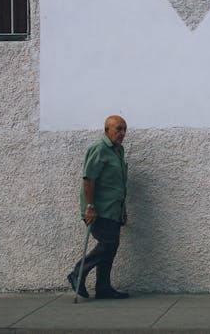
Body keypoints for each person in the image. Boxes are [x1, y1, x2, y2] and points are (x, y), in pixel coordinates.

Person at [67, 115, 130, 299]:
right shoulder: (99, 149)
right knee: (107, 244)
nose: (122, 133)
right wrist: (90, 207)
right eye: (118, 129)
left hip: (113, 209)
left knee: (112, 246)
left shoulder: (118, 151)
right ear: (107, 130)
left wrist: (123, 208)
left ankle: (103, 287)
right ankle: (78, 272)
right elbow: (89, 179)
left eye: (124, 129)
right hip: (99, 210)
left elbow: (119, 183)